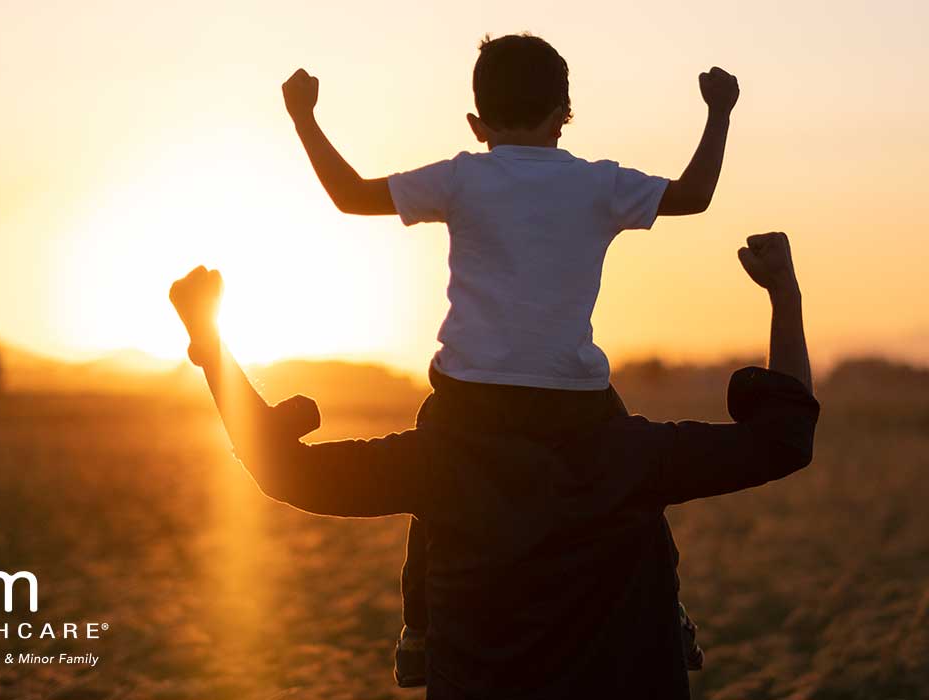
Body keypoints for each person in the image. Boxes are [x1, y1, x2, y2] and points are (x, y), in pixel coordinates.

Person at [171, 232, 819, 698]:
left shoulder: (439, 458)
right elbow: (783, 438)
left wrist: (212, 342)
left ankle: (418, 635)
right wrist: (783, 294)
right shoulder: (634, 453)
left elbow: (286, 471)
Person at [281, 33, 740, 684]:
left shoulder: (463, 176)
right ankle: (671, 612)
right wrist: (719, 111)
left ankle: (419, 628)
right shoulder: (597, 182)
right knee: (641, 484)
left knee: (431, 483)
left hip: (473, 395)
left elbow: (352, 194)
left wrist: (305, 117)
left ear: (476, 123)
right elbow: (694, 194)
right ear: (565, 116)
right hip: (574, 398)